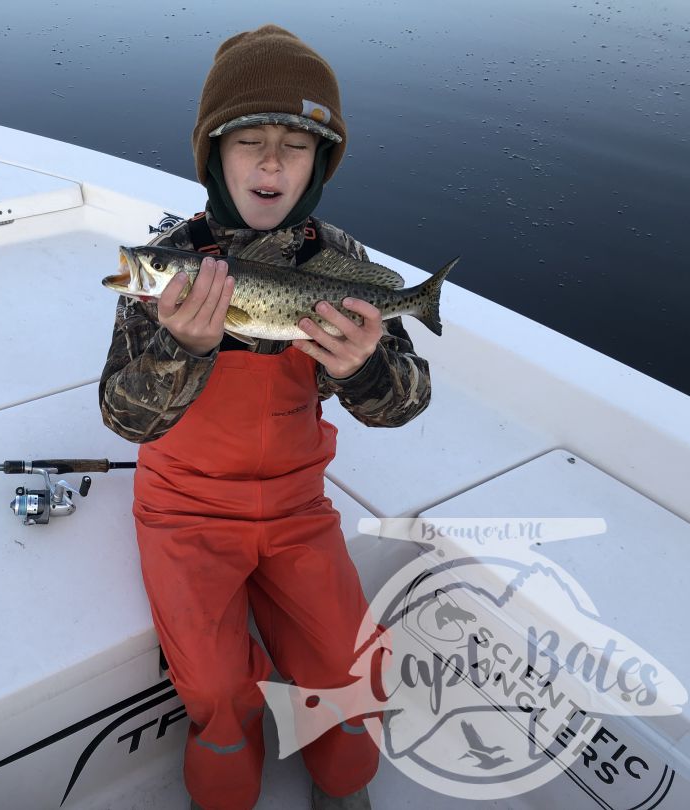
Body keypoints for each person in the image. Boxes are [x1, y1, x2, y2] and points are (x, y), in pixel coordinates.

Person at [99, 25, 431, 810]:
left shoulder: (341, 261)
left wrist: (367, 368)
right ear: (214, 153)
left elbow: (407, 400)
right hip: (185, 510)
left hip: (295, 507)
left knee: (356, 664)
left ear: (323, 162)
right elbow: (124, 420)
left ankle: (343, 785)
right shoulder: (172, 261)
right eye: (250, 141)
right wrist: (180, 349)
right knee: (218, 686)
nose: (273, 162)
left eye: (297, 144)